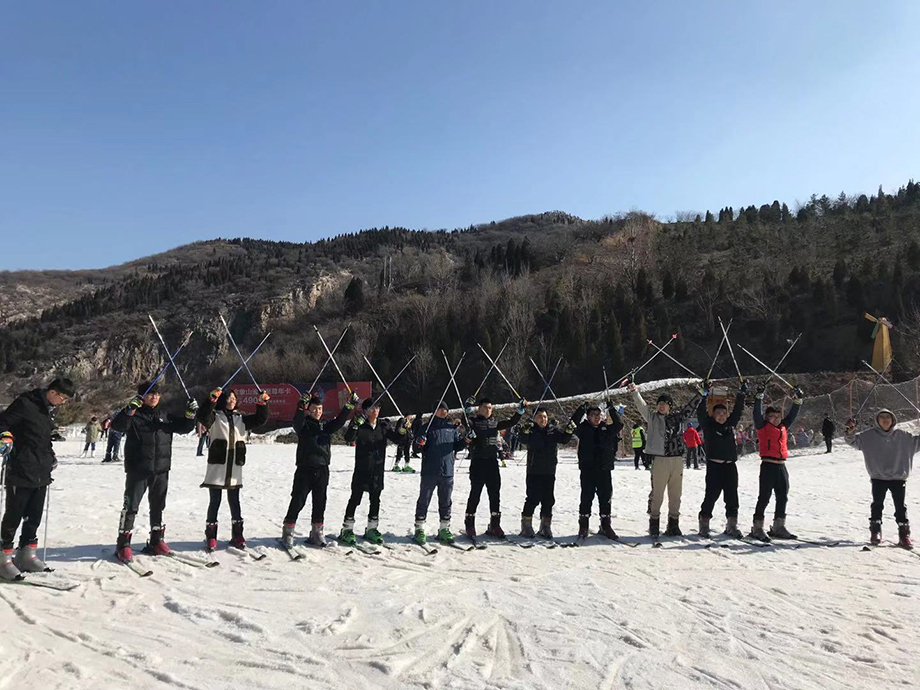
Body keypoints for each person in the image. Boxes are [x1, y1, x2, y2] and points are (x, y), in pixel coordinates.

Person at [111, 381, 198, 562]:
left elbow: (184, 428)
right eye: (150, 394)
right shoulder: (134, 414)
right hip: (138, 468)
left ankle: (157, 540)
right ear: (142, 396)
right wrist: (128, 410)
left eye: (157, 394)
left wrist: (190, 414)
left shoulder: (165, 415)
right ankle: (123, 543)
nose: (154, 397)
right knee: (131, 506)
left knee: (158, 505)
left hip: (161, 468)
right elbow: (117, 426)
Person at [0, 378, 75, 580]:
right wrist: (5, 436)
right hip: (21, 469)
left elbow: (42, 438)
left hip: (41, 470)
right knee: (14, 516)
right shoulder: (25, 403)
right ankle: (3, 557)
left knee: (34, 516)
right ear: (53, 392)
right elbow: (3, 423)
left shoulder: (48, 410)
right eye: (63, 398)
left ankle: (26, 554)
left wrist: (50, 456)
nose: (63, 402)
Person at [281, 390, 359, 548]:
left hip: (322, 469)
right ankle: (288, 531)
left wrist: (349, 406)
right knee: (298, 500)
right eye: (314, 409)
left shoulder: (325, 426)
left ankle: (317, 532)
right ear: (309, 410)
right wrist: (300, 406)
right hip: (305, 469)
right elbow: (297, 422)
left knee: (320, 501)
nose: (318, 412)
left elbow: (339, 422)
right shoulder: (303, 425)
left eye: (320, 409)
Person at [196, 387, 269, 551]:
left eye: (234, 398)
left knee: (235, 501)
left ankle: (237, 535)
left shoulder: (240, 418)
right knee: (215, 501)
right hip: (218, 466)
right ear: (223, 400)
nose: (232, 400)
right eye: (229, 397)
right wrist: (211, 401)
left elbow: (260, 420)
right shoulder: (215, 417)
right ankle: (211, 536)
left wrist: (262, 404)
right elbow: (202, 416)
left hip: (234, 467)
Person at [630, 384, 702, 538]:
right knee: (657, 494)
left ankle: (673, 524)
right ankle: (654, 523)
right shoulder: (652, 418)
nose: (661, 406)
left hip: (676, 460)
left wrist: (701, 393)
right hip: (660, 460)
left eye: (665, 404)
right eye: (659, 403)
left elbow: (690, 408)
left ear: (670, 406)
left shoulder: (679, 418)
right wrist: (634, 391)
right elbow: (641, 406)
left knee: (675, 495)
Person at [339, 399, 409, 545]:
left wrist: (402, 429)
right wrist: (355, 425)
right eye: (372, 408)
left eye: (377, 407)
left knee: (375, 499)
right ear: (365, 410)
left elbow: (397, 439)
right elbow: (348, 438)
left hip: (377, 470)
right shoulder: (359, 423)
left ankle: (372, 529)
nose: (375, 410)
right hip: (362, 469)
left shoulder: (383, 425)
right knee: (355, 499)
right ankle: (347, 529)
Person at [844, 410, 914, 549]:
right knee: (877, 505)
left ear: (893, 420)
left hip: (898, 477)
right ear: (877, 420)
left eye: (888, 417)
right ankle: (875, 531)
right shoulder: (868, 436)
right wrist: (849, 430)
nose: (885, 420)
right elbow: (852, 440)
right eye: (882, 417)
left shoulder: (904, 436)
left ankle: (904, 534)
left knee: (900, 506)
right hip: (878, 477)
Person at [463, 397, 525, 539]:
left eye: (490, 408)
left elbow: (511, 422)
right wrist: (467, 409)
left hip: (492, 463)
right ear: (479, 409)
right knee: (475, 493)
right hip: (478, 462)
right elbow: (465, 422)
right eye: (485, 407)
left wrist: (520, 411)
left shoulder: (495, 423)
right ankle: (469, 523)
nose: (488, 410)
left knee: (495, 494)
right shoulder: (474, 422)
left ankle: (495, 524)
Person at [749, 385, 804, 541]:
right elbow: (756, 414)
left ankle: (779, 526)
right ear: (766, 418)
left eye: (777, 416)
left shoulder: (783, 426)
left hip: (781, 466)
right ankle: (757, 527)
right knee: (764, 497)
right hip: (768, 465)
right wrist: (759, 398)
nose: (775, 419)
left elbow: (792, 414)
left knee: (782, 496)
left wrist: (798, 400)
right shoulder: (762, 426)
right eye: (771, 416)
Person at [696, 382, 748, 538]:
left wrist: (741, 394)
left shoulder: (730, 424)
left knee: (732, 496)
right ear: (713, 414)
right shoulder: (708, 425)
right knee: (711, 495)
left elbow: (738, 410)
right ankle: (704, 523)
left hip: (730, 466)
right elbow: (700, 412)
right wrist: (704, 395)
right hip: (714, 466)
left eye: (724, 413)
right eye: (718, 413)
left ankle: (732, 525)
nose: (722, 416)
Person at [413, 402, 468, 545]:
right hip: (429, 471)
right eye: (440, 408)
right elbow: (416, 448)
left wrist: (466, 440)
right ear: (435, 410)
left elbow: (457, 446)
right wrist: (419, 443)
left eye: (446, 409)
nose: (444, 411)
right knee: (424, 500)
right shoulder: (427, 427)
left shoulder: (451, 428)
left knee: (446, 501)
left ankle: (444, 528)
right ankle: (419, 528)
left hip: (447, 471)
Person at [518, 407, 575, 539]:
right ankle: (526, 525)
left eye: (544, 417)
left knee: (548, 499)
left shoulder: (552, 430)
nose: (542, 419)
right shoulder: (531, 429)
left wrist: (569, 430)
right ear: (534, 418)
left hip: (549, 470)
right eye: (539, 416)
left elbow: (564, 439)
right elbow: (523, 439)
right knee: (533, 498)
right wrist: (525, 429)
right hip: (534, 470)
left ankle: (545, 526)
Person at [572, 401, 623, 539]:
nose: (596, 417)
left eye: (598, 414)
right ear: (588, 416)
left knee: (605, 497)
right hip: (587, 469)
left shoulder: (605, 428)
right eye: (593, 414)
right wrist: (581, 409)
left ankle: (606, 525)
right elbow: (572, 424)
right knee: (586, 496)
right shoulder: (583, 429)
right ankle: (583, 525)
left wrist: (611, 409)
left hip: (604, 468)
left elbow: (619, 425)